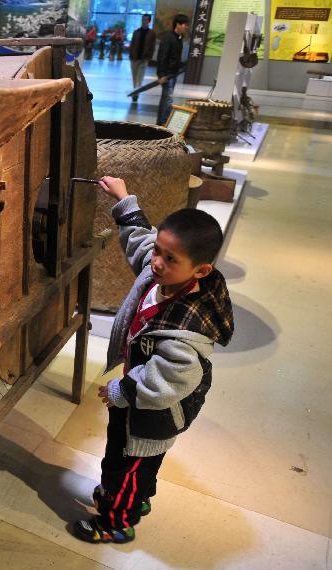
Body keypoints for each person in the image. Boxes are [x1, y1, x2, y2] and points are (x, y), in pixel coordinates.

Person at [72, 176, 233, 545]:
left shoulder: (187, 330)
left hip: (154, 412)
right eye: (159, 250)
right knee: (135, 462)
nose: (156, 262)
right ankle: (135, 496)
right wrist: (125, 199)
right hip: (142, 400)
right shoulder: (165, 275)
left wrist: (123, 389)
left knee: (126, 461)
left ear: (201, 271)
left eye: (169, 258)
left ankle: (117, 520)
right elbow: (140, 241)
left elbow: (170, 379)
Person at [156, 14, 188, 125]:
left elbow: (175, 57)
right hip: (167, 74)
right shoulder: (168, 38)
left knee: (165, 98)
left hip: (173, 74)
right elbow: (162, 56)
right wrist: (161, 75)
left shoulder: (179, 38)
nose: (186, 27)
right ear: (177, 25)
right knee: (168, 99)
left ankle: (161, 122)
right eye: (184, 24)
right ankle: (164, 123)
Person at [129, 14, 155, 102]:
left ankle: (136, 94)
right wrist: (131, 56)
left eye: (146, 20)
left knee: (140, 79)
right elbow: (132, 45)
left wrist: (149, 57)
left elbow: (152, 47)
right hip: (134, 58)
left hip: (144, 59)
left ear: (149, 21)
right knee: (134, 78)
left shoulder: (151, 33)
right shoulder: (136, 32)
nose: (144, 21)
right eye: (143, 19)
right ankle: (135, 91)